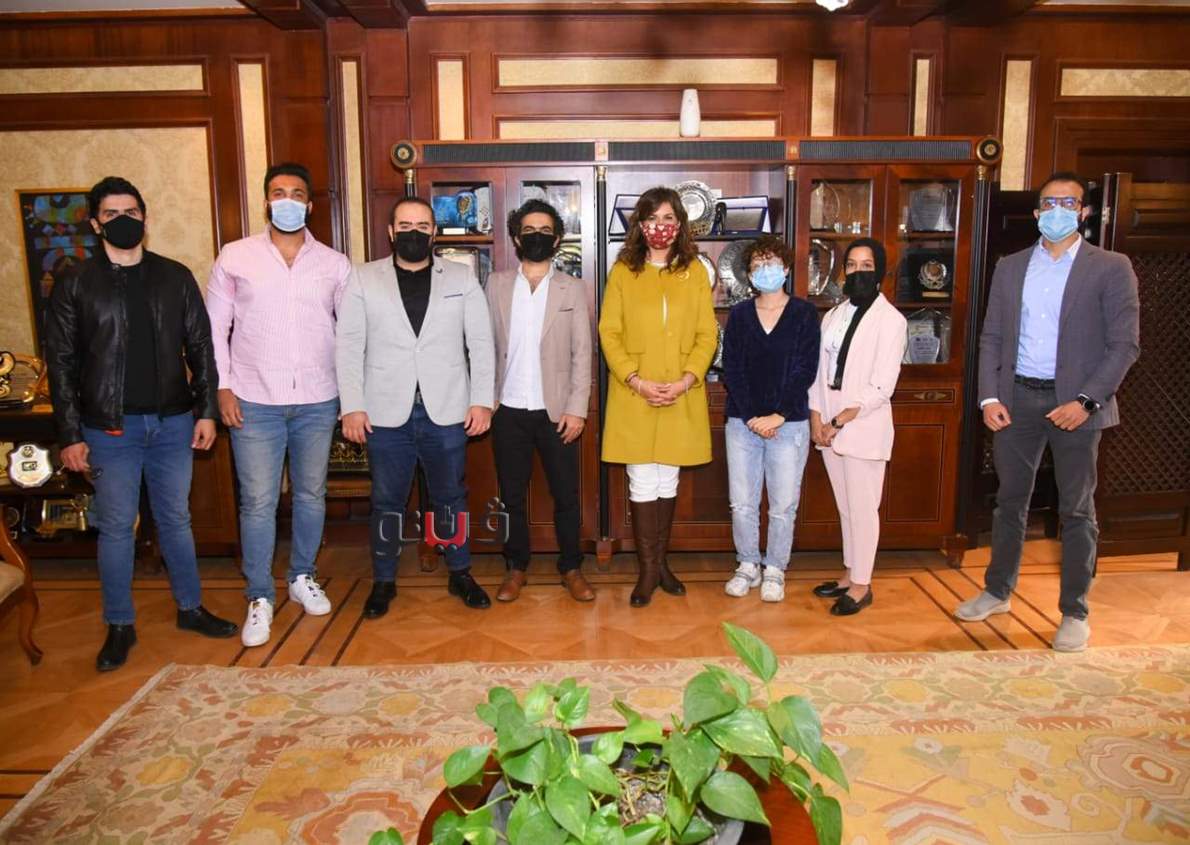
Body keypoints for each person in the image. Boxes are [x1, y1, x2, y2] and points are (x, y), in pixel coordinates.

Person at [46, 176, 237, 672]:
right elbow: (60, 364)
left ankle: (190, 608)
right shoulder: (75, 283)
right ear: (95, 224)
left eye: (130, 211)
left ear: (145, 218)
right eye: (111, 214)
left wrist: (206, 412)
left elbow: (202, 349)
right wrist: (69, 434)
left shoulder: (174, 277)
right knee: (116, 528)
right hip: (109, 428)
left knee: (177, 520)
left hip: (174, 422)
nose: (123, 220)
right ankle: (119, 624)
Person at [956, 171, 1140, 652]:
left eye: (1069, 203)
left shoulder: (1111, 267)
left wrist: (1087, 402)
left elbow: (1124, 345)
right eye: (1049, 203)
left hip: (1075, 406)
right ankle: (997, 591)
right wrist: (989, 397)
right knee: (1009, 502)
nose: (1058, 211)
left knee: (1076, 508)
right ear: (1037, 213)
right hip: (1016, 399)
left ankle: (1075, 611)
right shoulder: (1011, 266)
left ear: (1083, 212)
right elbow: (992, 336)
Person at [206, 162, 351, 648]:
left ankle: (302, 576)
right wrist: (222, 387)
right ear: (266, 201)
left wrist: (350, 396)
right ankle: (259, 595)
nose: (287, 200)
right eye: (278, 192)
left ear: (310, 205)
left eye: (297, 193)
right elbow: (214, 329)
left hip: (317, 398)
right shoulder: (235, 256)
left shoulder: (334, 264)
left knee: (311, 495)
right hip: (253, 399)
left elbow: (350, 333)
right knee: (258, 502)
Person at [337, 196, 496, 616]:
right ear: (391, 232)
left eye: (423, 226)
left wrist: (482, 400)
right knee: (387, 501)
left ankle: (460, 571)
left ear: (434, 232)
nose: (414, 232)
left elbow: (481, 343)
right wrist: (352, 405)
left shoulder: (461, 277)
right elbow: (348, 346)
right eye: (405, 225)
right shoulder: (362, 278)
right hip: (384, 412)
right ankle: (384, 580)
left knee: (451, 497)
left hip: (447, 409)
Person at [599, 187, 718, 607]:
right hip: (635, 393)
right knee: (642, 479)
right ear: (640, 225)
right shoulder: (623, 271)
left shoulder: (695, 271)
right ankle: (648, 570)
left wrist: (687, 379)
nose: (660, 227)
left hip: (681, 392)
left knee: (668, 479)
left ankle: (660, 563)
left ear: (680, 224)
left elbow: (707, 333)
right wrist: (635, 380)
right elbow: (609, 332)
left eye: (668, 218)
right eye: (651, 219)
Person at [486, 200, 594, 603]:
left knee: (566, 495)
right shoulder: (495, 284)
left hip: (558, 411)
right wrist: (484, 401)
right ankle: (516, 567)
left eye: (545, 231)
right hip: (507, 409)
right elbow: (483, 346)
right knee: (511, 496)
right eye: (529, 230)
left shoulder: (572, 288)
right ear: (517, 238)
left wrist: (577, 409)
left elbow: (582, 352)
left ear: (557, 239)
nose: (537, 236)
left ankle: (571, 567)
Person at [808, 238, 907, 616]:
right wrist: (817, 417)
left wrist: (839, 420)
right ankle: (850, 574)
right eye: (852, 265)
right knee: (846, 508)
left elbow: (882, 386)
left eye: (867, 265)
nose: (858, 271)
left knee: (864, 509)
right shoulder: (833, 314)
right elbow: (819, 372)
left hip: (862, 426)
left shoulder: (892, 320)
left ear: (879, 271)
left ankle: (863, 585)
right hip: (828, 427)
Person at [721, 236, 820, 602]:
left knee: (782, 504)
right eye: (758, 265)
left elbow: (806, 369)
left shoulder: (804, 314)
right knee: (742, 502)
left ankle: (775, 568)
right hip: (742, 423)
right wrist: (752, 416)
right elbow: (732, 369)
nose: (766, 270)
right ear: (749, 274)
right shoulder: (739, 315)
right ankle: (747, 564)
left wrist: (778, 415)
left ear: (787, 268)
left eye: (772, 263)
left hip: (789, 424)